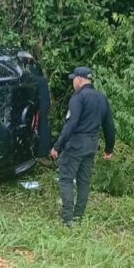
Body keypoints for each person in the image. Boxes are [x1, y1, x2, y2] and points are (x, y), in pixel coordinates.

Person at [50, 66, 115, 226]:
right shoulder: (101, 98)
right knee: (84, 181)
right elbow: (109, 126)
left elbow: (71, 124)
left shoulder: (78, 98)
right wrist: (109, 149)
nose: (73, 82)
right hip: (91, 144)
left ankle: (67, 219)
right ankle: (79, 216)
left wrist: (57, 147)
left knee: (66, 179)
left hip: (76, 144)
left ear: (79, 79)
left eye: (73, 79)